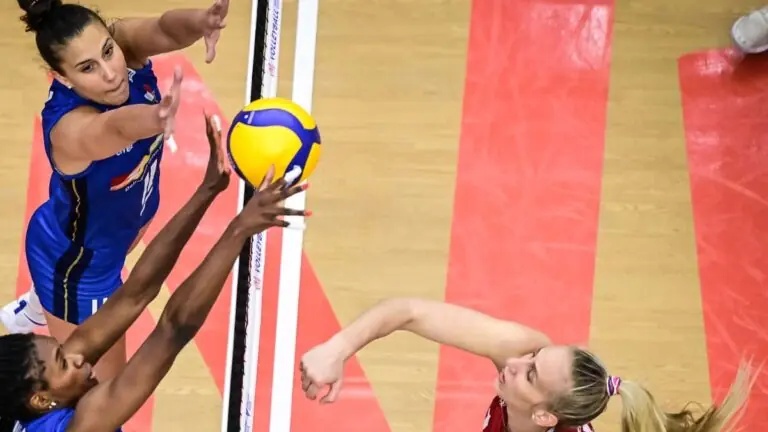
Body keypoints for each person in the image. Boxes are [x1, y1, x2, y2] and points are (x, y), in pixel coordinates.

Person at [0, 113, 309, 432]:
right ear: (40, 401)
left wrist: (207, 191)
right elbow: (173, 330)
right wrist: (239, 229)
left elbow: (138, 291)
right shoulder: (84, 424)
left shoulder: (52, 387)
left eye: (64, 351)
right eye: (64, 362)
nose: (79, 356)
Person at [0, 0, 230, 384]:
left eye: (108, 52)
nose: (111, 74)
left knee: (122, 234)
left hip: (112, 224)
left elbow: (166, 29)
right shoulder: (67, 129)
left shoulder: (122, 47)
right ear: (61, 77)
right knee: (100, 391)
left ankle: (41, 305)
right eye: (87, 68)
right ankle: (50, 301)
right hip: (78, 267)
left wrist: (200, 20)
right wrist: (154, 117)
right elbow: (114, 130)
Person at [299, 297, 754, 432]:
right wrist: (338, 348)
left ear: (544, 415)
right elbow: (410, 312)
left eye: (531, 372)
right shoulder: (521, 354)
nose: (516, 361)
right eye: (535, 357)